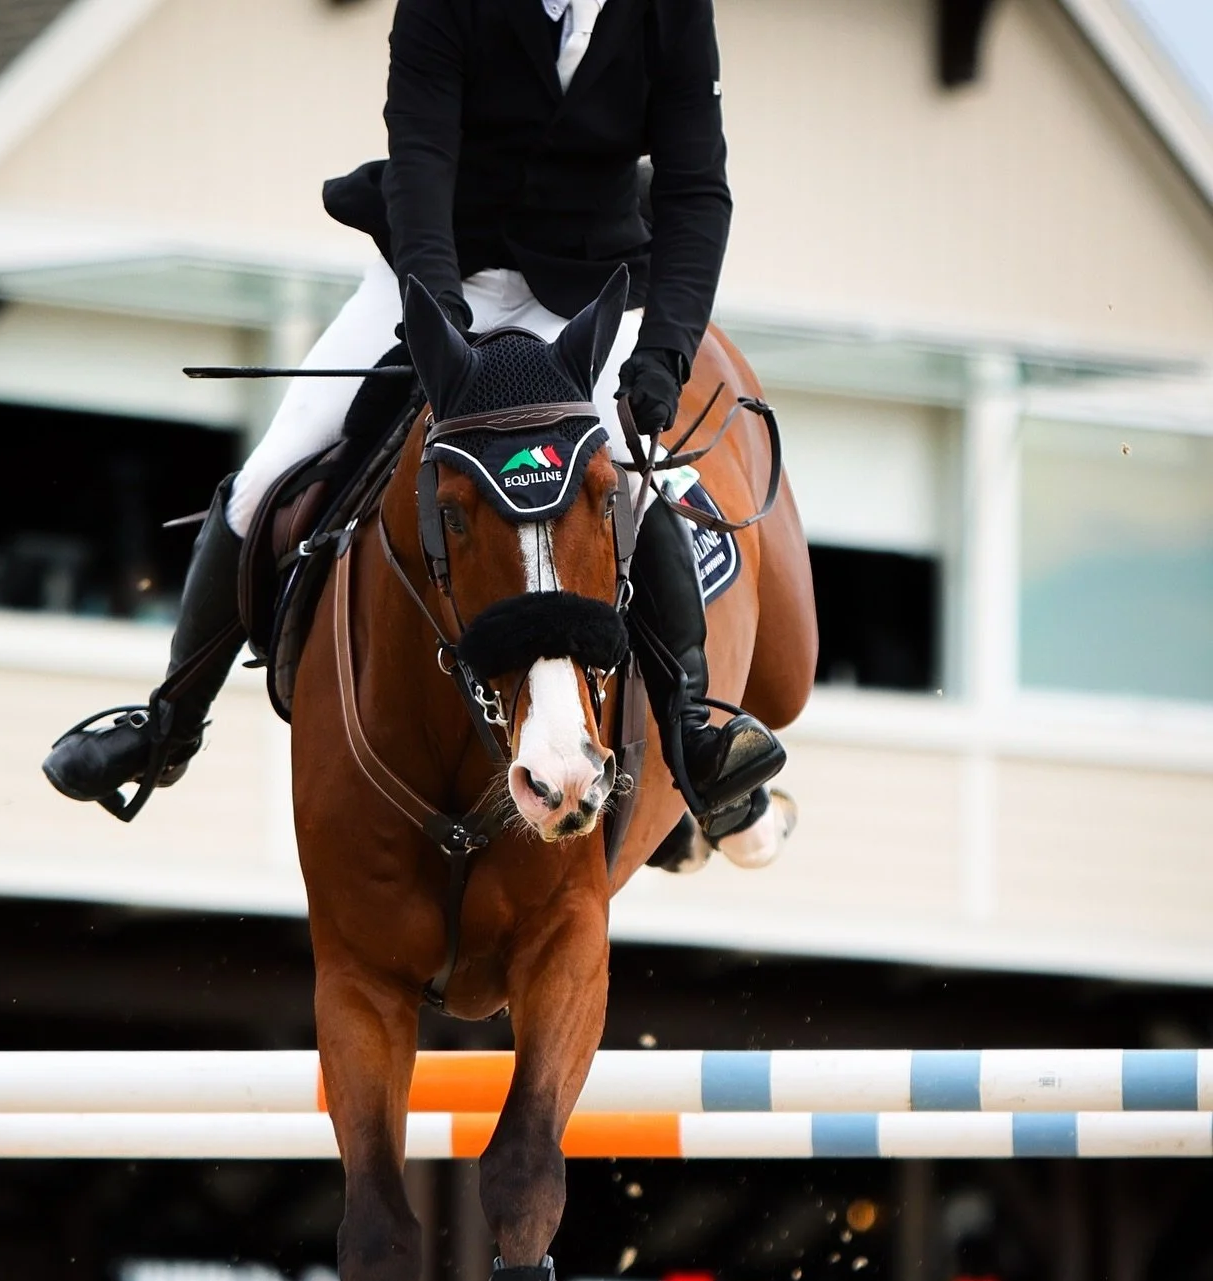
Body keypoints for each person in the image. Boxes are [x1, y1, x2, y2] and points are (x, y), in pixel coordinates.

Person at [43, 0, 786, 841]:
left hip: (588, 290)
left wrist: (667, 350)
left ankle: (690, 737)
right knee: (269, 475)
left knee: (636, 481)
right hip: (442, 273)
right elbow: (422, 156)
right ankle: (168, 726)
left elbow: (696, 189)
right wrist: (439, 321)